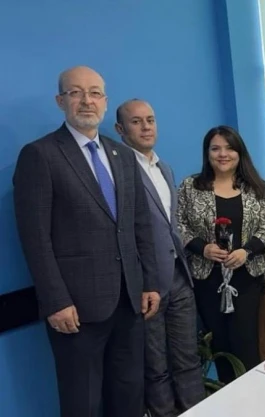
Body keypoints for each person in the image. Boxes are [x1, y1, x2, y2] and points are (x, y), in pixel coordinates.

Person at [12, 66, 159, 417]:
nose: (86, 100)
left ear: (105, 101)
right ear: (60, 101)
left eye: (94, 92)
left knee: (129, 395)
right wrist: (56, 301)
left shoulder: (123, 155)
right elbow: (35, 238)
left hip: (129, 301)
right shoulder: (40, 155)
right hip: (76, 308)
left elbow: (140, 224)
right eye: (75, 92)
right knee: (83, 403)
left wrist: (149, 282)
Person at [115, 99, 205, 416]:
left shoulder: (164, 167)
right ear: (120, 129)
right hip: (146, 284)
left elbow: (171, 224)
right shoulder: (118, 171)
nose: (146, 127)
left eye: (150, 120)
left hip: (179, 276)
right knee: (156, 366)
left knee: (188, 359)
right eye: (136, 121)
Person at [177, 126, 265, 383]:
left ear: (239, 153)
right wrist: (202, 248)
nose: (223, 154)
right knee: (219, 346)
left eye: (229, 148)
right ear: (207, 153)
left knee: (245, 343)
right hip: (207, 278)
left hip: (246, 278)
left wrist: (246, 252)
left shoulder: (257, 188)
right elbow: (178, 225)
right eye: (215, 148)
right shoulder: (190, 187)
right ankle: (226, 396)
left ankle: (253, 397)